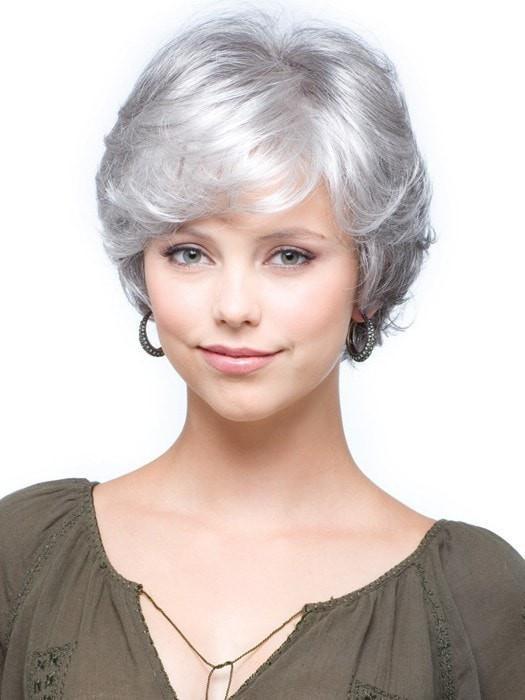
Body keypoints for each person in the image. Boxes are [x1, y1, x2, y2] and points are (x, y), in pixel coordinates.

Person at [1, 5, 524, 699]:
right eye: (189, 253)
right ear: (141, 265)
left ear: (369, 274)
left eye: (289, 255)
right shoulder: (27, 551)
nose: (234, 306)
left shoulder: (472, 596)